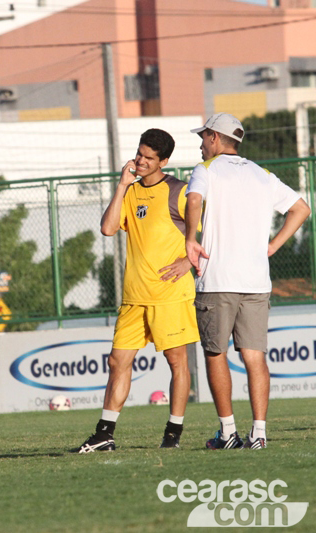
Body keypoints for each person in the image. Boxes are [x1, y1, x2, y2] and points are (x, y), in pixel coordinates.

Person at [185, 113, 310, 450]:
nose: (200, 144)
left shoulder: (205, 170)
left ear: (214, 137)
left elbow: (193, 199)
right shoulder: (262, 174)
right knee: (255, 358)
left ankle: (227, 433)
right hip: (256, 281)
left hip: (218, 280)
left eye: (203, 137)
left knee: (215, 354)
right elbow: (301, 209)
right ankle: (259, 434)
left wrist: (190, 238)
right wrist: (272, 246)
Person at [76, 128, 198, 453]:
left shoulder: (180, 192)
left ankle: (173, 433)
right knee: (118, 361)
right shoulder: (130, 191)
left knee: (177, 363)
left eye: (149, 158)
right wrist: (121, 186)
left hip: (170, 295)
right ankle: (104, 434)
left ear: (164, 161)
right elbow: (107, 228)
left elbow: (209, 233)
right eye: (139, 154)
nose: (141, 161)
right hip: (134, 297)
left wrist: (189, 261)